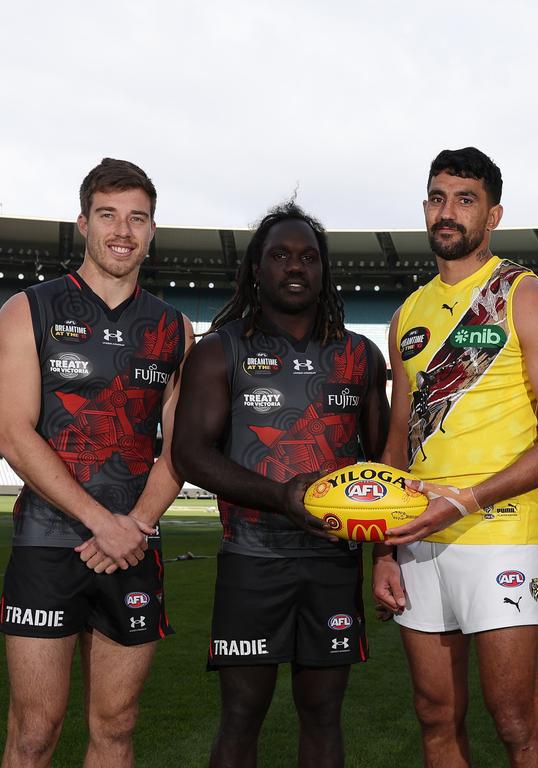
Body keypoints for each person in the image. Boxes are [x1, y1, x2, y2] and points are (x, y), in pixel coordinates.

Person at [373, 147, 538, 767]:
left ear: (493, 215)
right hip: (417, 533)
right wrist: (383, 550)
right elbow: (397, 441)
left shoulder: (521, 294)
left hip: (499, 534)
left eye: (465, 200)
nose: (448, 212)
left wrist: (465, 500)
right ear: (424, 208)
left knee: (516, 721)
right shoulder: (407, 313)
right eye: (438, 198)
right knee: (435, 715)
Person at [171, 202, 389, 768]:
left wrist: (386, 549)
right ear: (256, 270)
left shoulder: (361, 357)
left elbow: (387, 461)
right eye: (280, 255)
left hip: (332, 562)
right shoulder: (221, 349)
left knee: (323, 713)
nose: (295, 266)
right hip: (252, 557)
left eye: (308, 257)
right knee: (242, 714)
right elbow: (190, 453)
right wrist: (281, 498)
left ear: (323, 271)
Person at [0, 158, 194, 767]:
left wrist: (132, 525)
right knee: (34, 732)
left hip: (134, 546)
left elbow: (181, 445)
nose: (122, 230)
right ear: (82, 222)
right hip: (46, 542)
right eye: (108, 214)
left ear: (152, 230)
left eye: (137, 218)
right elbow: (12, 433)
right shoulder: (28, 309)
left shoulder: (173, 329)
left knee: (116, 727)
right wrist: (101, 522)